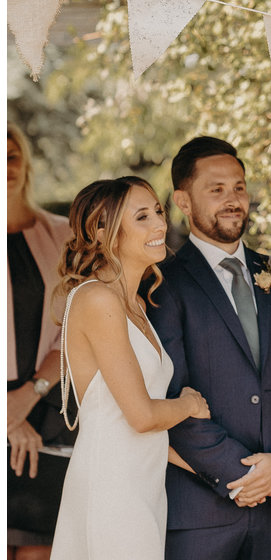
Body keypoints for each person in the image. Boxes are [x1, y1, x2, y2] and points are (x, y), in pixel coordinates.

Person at [146, 136, 271, 559]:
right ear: (183, 201)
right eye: (217, 190)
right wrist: (243, 477)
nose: (233, 200)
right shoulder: (160, 285)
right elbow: (172, 395)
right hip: (201, 508)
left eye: (239, 187)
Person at [49, 178, 211, 560]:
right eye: (142, 217)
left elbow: (134, 423)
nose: (160, 224)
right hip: (112, 490)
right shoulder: (97, 299)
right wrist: (188, 404)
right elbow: (140, 416)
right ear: (102, 231)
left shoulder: (135, 304)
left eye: (158, 211)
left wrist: (213, 472)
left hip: (141, 486)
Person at [7, 122, 75, 560]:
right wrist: (9, 418)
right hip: (12, 419)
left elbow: (77, 331)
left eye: (11, 155)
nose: (4, 166)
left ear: (26, 164)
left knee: (39, 548)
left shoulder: (65, 235)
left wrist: (27, 399)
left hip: (47, 414)